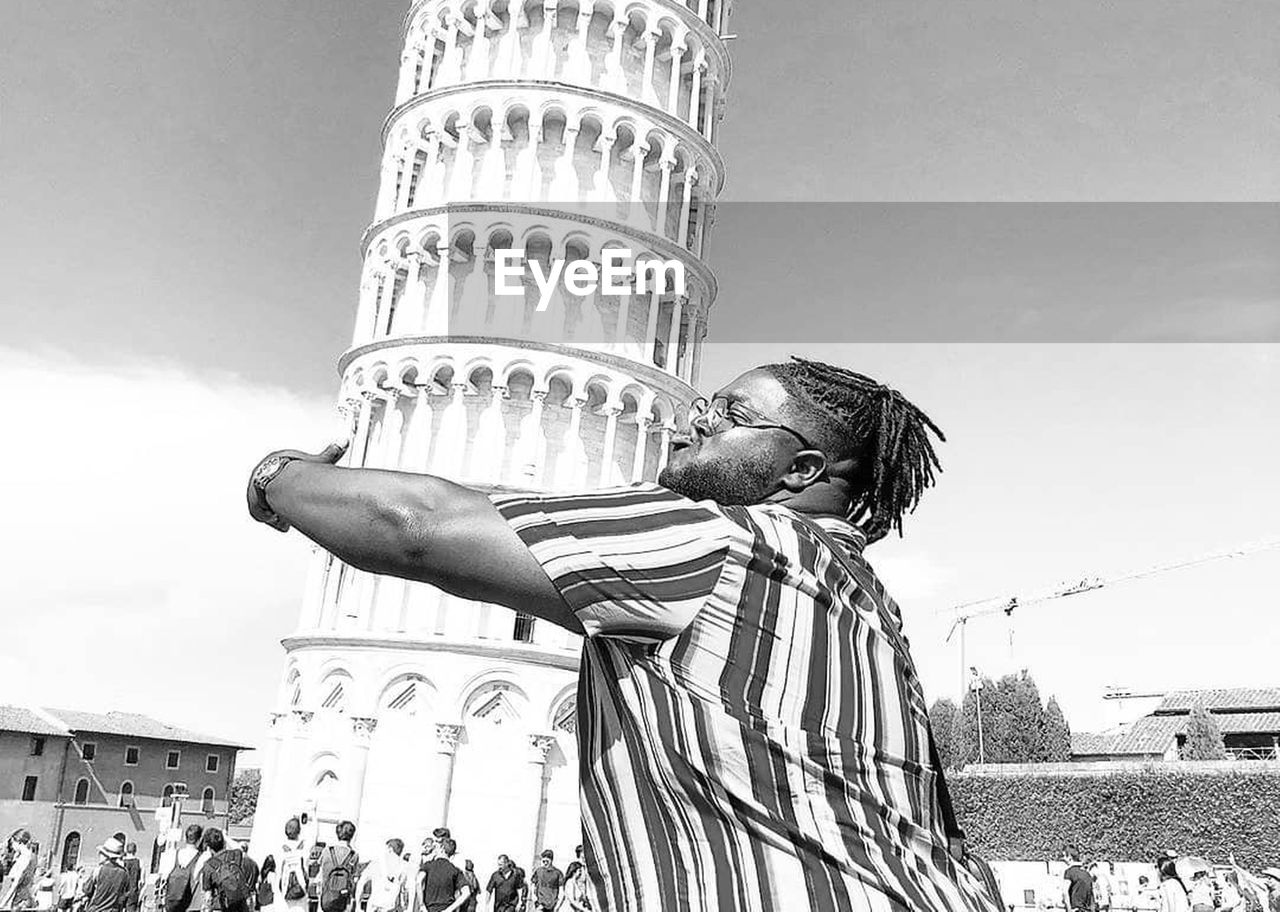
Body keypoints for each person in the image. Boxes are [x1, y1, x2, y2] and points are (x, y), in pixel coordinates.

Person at [248, 358, 1000, 911]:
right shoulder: (859, 598)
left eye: (732, 415)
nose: (697, 419)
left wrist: (276, 480)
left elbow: (415, 527)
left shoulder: (729, 545)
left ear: (801, 468)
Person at [199, 831, 257, 912]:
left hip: (221, 906)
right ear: (224, 843)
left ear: (209, 847)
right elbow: (241, 848)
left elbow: (208, 896)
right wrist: (226, 837)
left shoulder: (208, 865)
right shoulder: (236, 854)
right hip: (241, 904)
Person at [415, 839, 465, 912]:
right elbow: (467, 892)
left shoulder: (428, 865)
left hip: (430, 909)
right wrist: (449, 909)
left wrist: (422, 905)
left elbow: (418, 882)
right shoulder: (455, 870)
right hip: (447, 907)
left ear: (441, 848)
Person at [318, 825, 359, 912]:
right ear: (352, 836)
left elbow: (320, 871)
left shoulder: (327, 851)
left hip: (326, 898)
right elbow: (354, 880)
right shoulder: (354, 855)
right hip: (342, 900)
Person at [81, 840, 129, 912]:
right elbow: (125, 894)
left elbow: (87, 890)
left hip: (96, 909)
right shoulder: (124, 873)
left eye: (101, 853)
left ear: (105, 856)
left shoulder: (98, 870)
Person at [363, 841, 406, 912]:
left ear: (390, 849)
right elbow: (405, 890)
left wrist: (358, 906)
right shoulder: (404, 866)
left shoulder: (376, 863)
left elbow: (361, 883)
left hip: (374, 907)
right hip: (391, 908)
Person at [1, 832, 38, 911]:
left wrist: (3, 903)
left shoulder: (25, 859)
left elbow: (15, 884)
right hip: (23, 897)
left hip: (18, 900)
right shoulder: (32, 856)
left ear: (18, 843)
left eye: (11, 845)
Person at [276, 821, 308, 912]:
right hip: (301, 892)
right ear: (299, 831)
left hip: (284, 893)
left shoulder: (279, 848)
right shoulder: (305, 848)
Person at [120, 846, 141, 912]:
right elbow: (142, 882)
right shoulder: (139, 862)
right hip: (133, 892)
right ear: (135, 850)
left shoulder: (121, 863)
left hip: (122, 891)